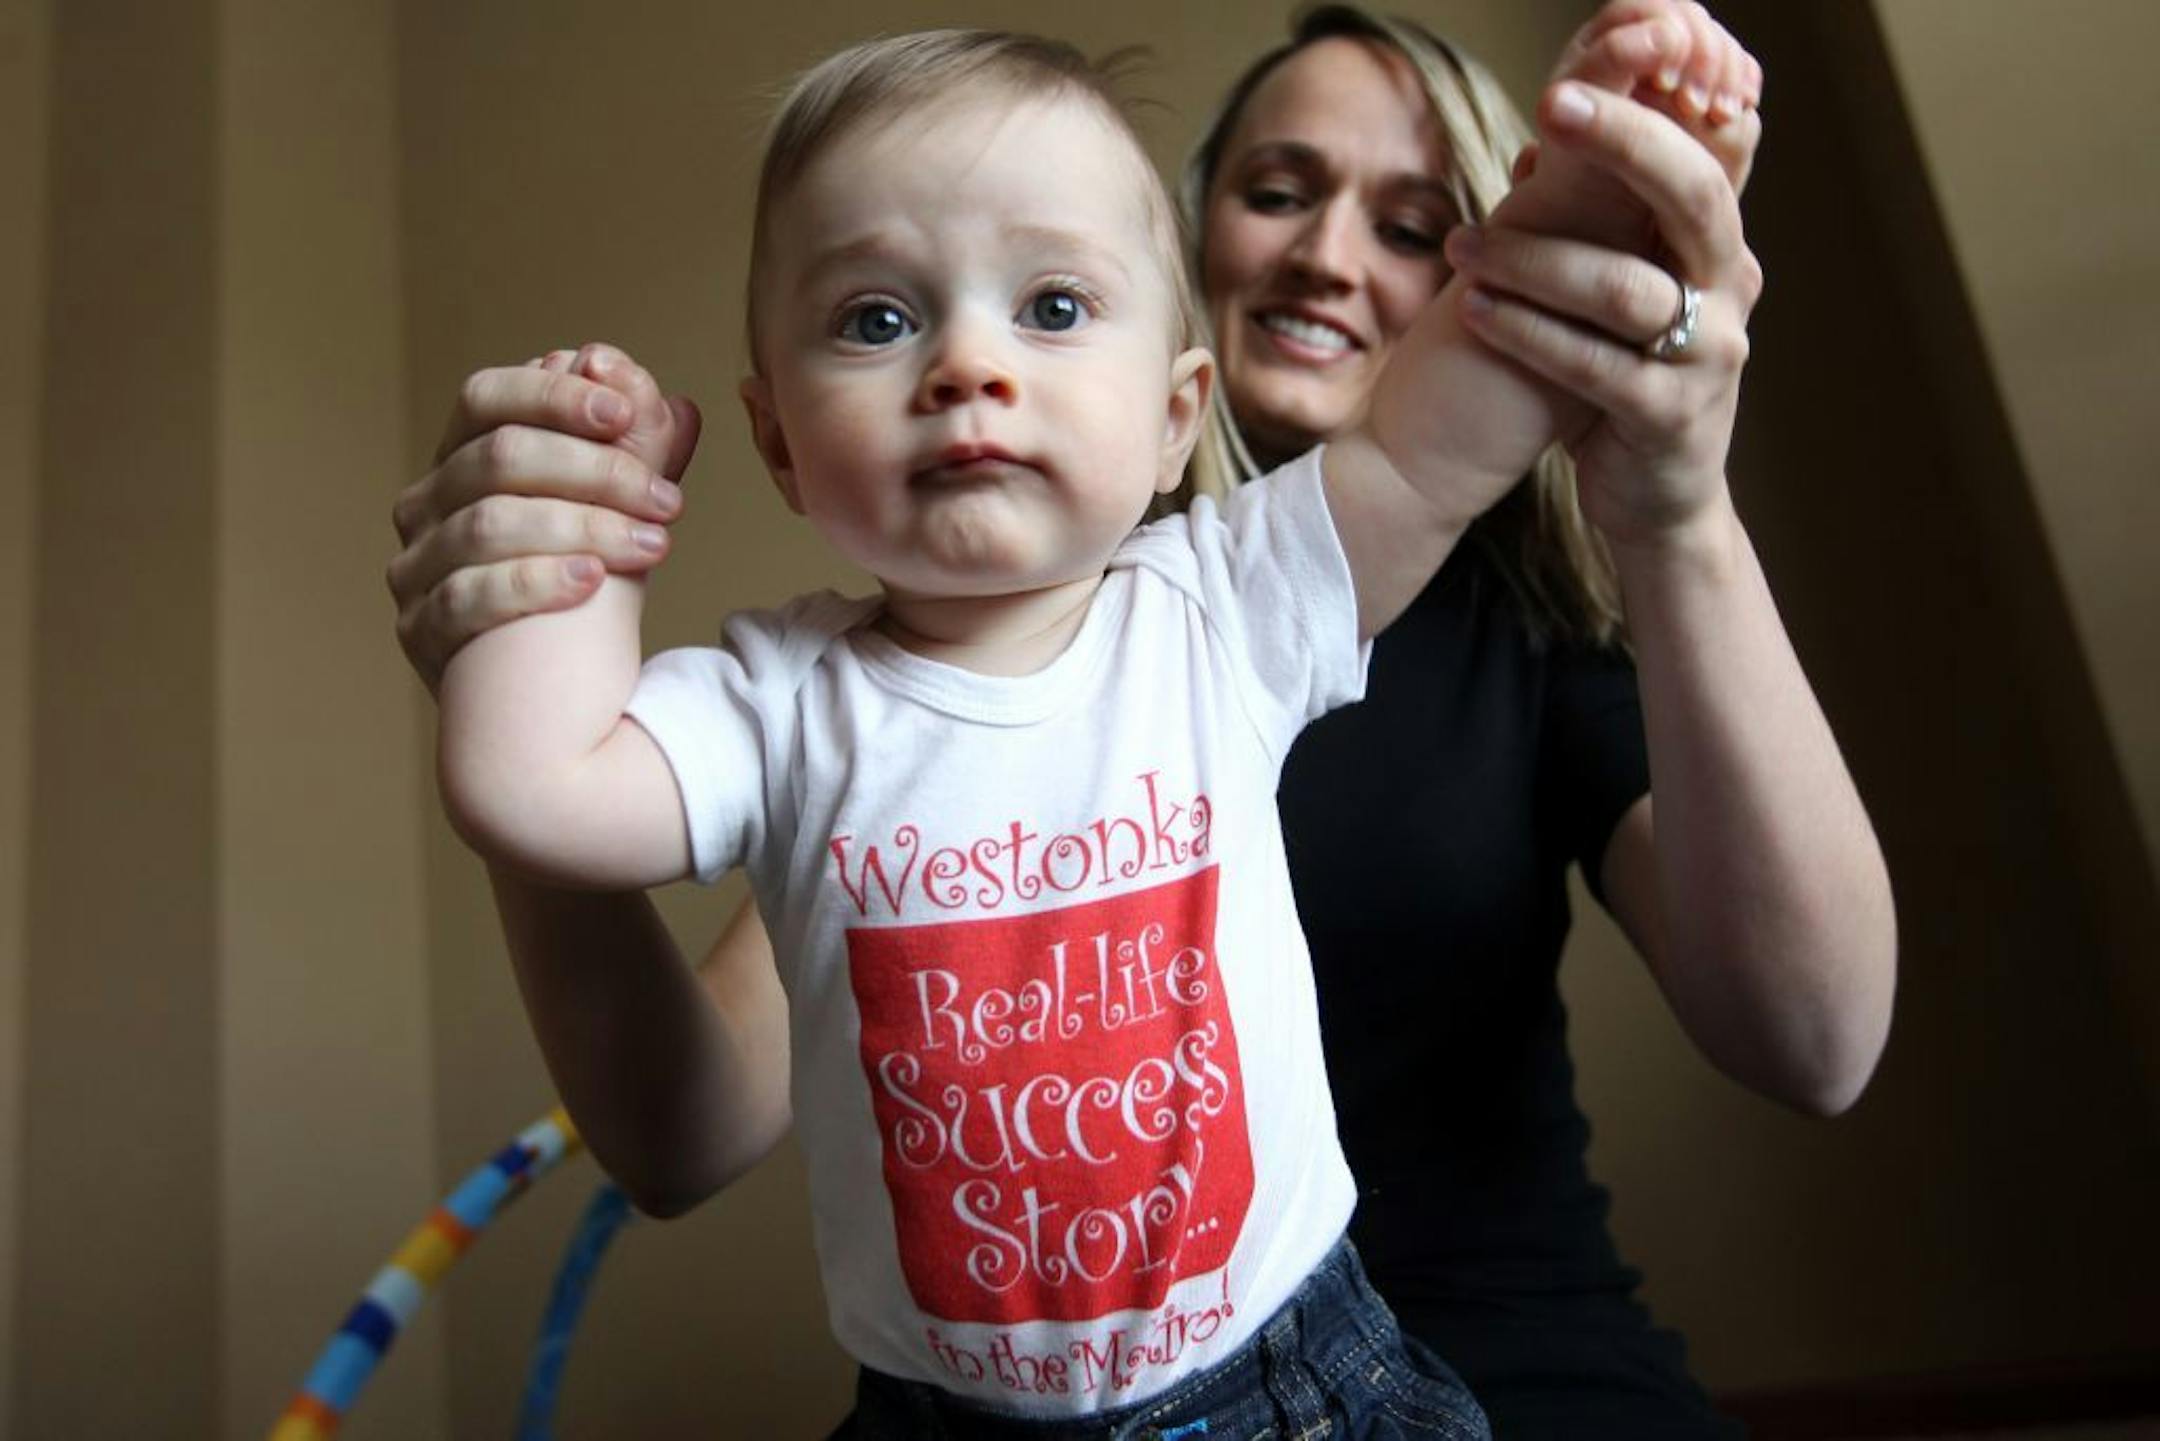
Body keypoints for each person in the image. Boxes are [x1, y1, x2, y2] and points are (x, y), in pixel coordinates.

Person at [391, 5, 1894, 1436]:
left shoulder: (1234, 603)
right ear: (775, 435)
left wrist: (1598, 183)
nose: (965, 365)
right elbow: (541, 798)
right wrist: (559, 563)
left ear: (1170, 414)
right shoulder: (789, 708)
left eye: (1050, 306)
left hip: (1340, 1382)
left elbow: (1466, 411)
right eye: (875, 317)